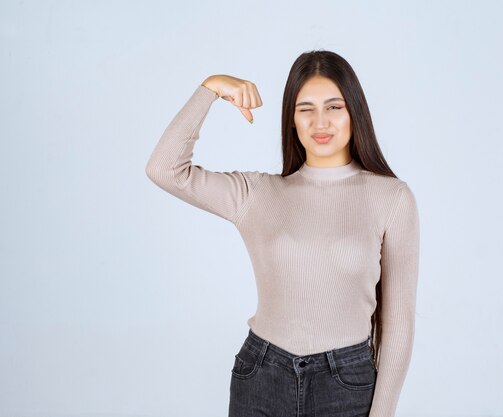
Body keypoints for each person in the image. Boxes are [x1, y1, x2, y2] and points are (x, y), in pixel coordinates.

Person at [145, 49, 420, 417]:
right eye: (305, 109)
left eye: (334, 107)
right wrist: (210, 89)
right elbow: (165, 169)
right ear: (291, 120)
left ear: (355, 112)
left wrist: (382, 413)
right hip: (262, 377)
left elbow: (398, 320)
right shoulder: (257, 195)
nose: (320, 122)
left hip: (348, 384)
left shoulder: (392, 198)